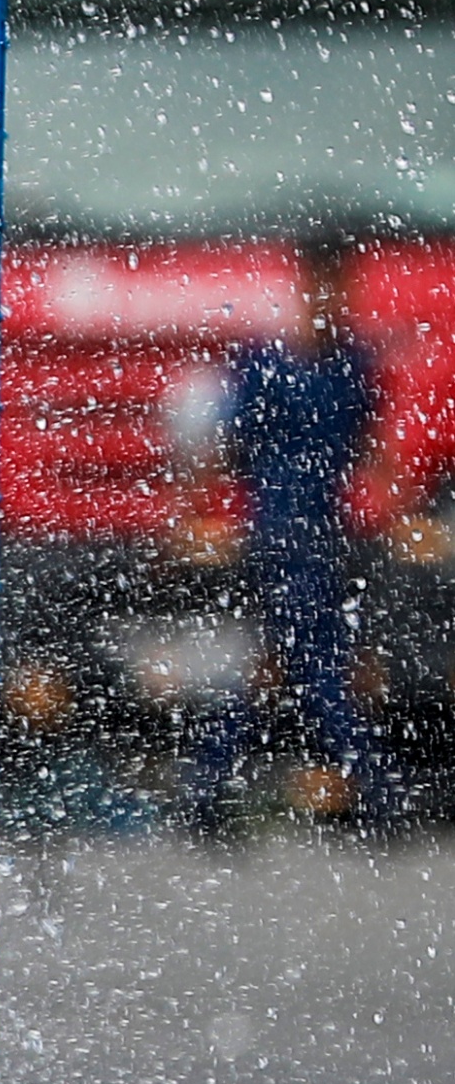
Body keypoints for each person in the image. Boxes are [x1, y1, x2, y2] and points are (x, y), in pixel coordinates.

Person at [185, 234, 410, 831]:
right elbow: (227, 446)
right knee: (314, 665)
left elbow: (371, 448)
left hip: (324, 532)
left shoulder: (353, 364)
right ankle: (375, 789)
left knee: (287, 662)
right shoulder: (267, 361)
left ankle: (209, 785)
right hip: (282, 532)